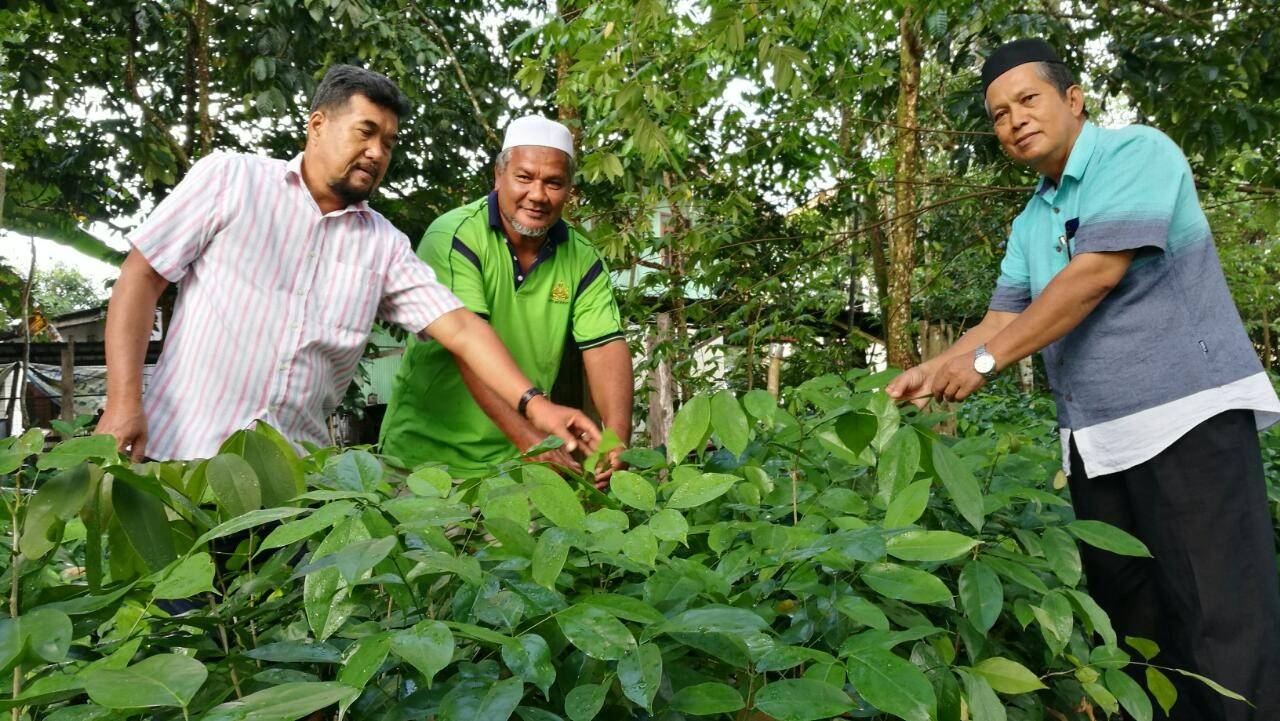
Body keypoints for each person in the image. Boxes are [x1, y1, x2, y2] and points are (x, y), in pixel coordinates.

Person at [886, 39, 1280, 721]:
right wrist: (936, 366)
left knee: (1222, 625)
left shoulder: (1137, 155)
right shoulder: (1030, 220)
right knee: (1139, 635)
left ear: (1073, 99)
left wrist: (985, 364)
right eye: (1000, 113)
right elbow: (999, 318)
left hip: (1187, 424)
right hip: (1098, 448)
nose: (1014, 119)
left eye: (1028, 99)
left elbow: (1094, 274)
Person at [97, 65, 599, 462]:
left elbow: (463, 330)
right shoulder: (231, 181)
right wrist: (123, 402)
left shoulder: (381, 244)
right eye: (365, 132)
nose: (376, 152)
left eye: (388, 142)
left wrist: (537, 405)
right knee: (164, 595)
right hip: (180, 457)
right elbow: (140, 278)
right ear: (317, 125)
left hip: (290, 489)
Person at [379, 116, 633, 478]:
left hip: (516, 467)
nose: (538, 195)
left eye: (554, 183)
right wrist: (529, 438)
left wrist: (616, 437)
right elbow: (466, 345)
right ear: (498, 176)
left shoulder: (583, 258)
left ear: (569, 190)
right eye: (524, 177)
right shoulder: (454, 236)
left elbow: (605, 346)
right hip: (424, 460)